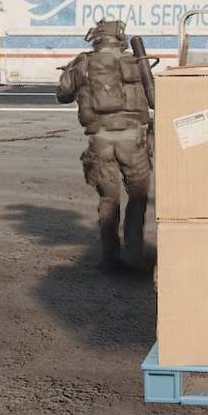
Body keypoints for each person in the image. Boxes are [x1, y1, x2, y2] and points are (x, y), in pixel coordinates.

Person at [56, 20, 152, 270]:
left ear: (96, 38)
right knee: (138, 198)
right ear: (120, 38)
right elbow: (154, 98)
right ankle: (134, 253)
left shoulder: (83, 64)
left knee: (109, 199)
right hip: (134, 141)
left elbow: (62, 95)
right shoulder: (136, 62)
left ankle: (110, 258)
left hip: (100, 142)